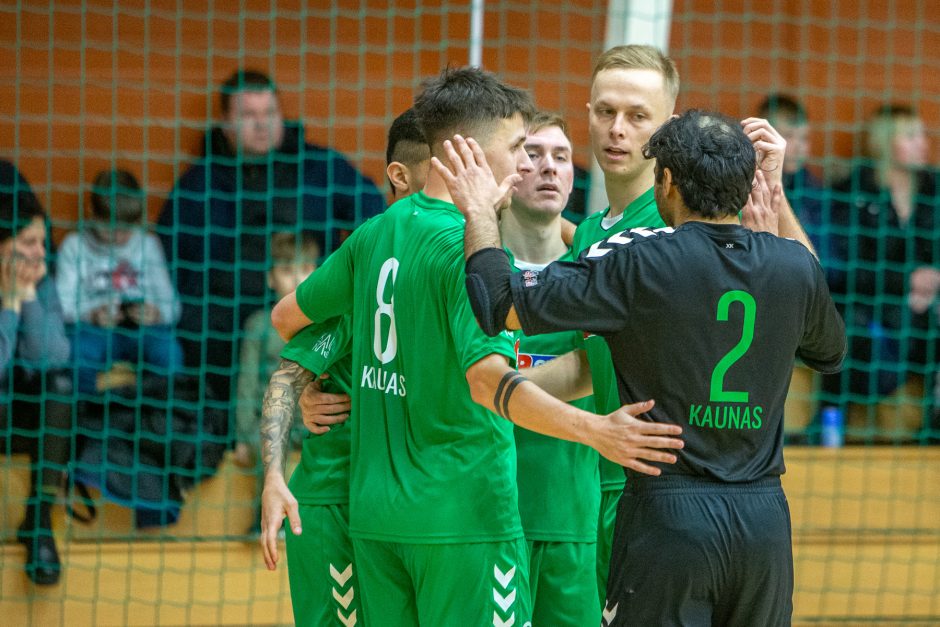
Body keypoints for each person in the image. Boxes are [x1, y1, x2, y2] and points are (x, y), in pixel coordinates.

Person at [268, 66, 683, 626]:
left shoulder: (375, 232)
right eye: (518, 146)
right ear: (468, 151)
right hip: (465, 517)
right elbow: (487, 381)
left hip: (378, 519)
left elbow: (285, 317)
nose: (527, 162)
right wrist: (595, 430)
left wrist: (320, 380)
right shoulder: (468, 255)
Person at [437, 109, 846, 625]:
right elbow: (830, 354)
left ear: (667, 182)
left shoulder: (638, 260)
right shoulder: (792, 265)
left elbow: (501, 304)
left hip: (669, 519)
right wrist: (780, 237)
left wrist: (477, 212)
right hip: (762, 525)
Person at [260, 106, 428, 626]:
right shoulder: (365, 270)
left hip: (408, 505)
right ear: (401, 179)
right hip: (336, 498)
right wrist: (272, 474)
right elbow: (287, 368)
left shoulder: (463, 264)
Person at [157, 69, 385, 426]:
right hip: (226, 323)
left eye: (269, 113)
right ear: (225, 123)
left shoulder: (318, 166)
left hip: (310, 304)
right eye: (248, 115)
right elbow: (170, 256)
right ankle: (232, 437)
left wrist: (338, 276)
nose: (261, 125)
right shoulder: (199, 184)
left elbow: (372, 213)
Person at [503, 112, 601, 625]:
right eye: (534, 154)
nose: (549, 168)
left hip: (572, 520)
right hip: (492, 520)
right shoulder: (471, 267)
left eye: (561, 157)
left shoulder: (598, 271)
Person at [825, 104, 939, 440]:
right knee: (851, 330)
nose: (924, 144)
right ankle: (831, 432)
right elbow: (845, 270)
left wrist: (929, 285)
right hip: (871, 310)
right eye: (911, 136)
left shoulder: (933, 187)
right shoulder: (853, 190)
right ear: (887, 142)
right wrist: (907, 283)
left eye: (922, 135)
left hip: (926, 309)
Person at [0, 160, 73, 585]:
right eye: (28, 242)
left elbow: (53, 355)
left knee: (60, 387)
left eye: (43, 242)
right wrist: (7, 307)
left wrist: (25, 296)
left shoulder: (40, 279)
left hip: (17, 415)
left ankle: (39, 520)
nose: (40, 254)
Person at [56, 168, 182, 395]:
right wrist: (91, 313)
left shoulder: (148, 245)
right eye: (110, 229)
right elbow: (60, 305)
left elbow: (173, 306)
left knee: (169, 354)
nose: (118, 238)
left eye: (126, 229)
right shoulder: (74, 245)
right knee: (76, 356)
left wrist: (156, 313)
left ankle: (159, 419)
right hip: (92, 330)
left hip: (142, 329)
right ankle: (89, 419)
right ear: (92, 212)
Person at [233, 231, 318, 533]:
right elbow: (245, 384)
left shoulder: (323, 324)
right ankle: (269, 518)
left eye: (306, 269)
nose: (296, 278)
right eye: (286, 270)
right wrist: (243, 436)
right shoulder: (259, 325)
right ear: (270, 278)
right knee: (269, 447)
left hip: (308, 424)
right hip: (267, 423)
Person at [757, 93, 831, 261]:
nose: (799, 147)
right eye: (789, 136)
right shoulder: (747, 186)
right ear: (763, 137)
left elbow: (828, 261)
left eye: (804, 138)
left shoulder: (814, 191)